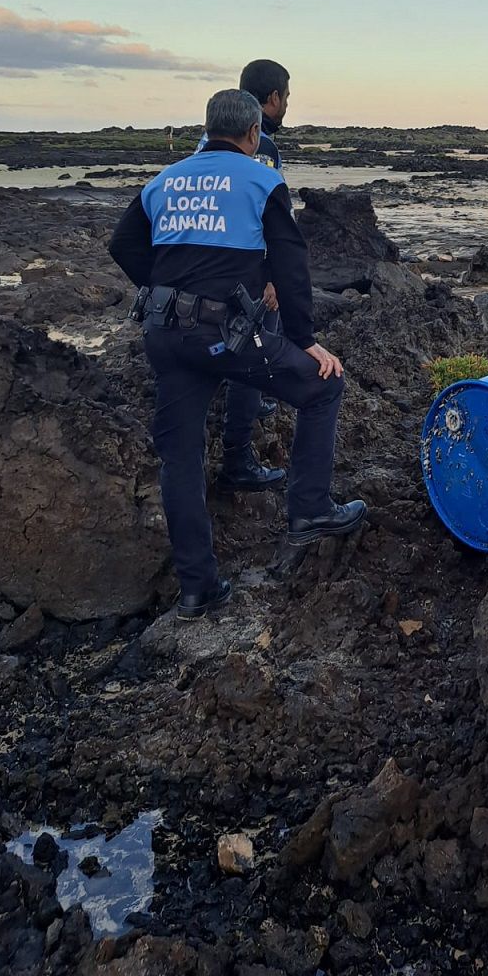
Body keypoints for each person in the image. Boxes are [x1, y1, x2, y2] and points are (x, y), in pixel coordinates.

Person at [109, 88, 365, 620]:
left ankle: (197, 589)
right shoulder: (262, 178)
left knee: (180, 457)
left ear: (207, 128)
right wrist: (304, 339)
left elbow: (123, 244)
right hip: (221, 333)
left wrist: (161, 287)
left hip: (164, 334)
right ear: (254, 135)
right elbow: (291, 263)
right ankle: (311, 510)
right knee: (324, 386)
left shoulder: (165, 179)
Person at [196, 59, 291, 490]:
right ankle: (238, 456)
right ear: (272, 99)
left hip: (205, 270)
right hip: (246, 275)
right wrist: (272, 276)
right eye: (286, 96)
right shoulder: (262, 149)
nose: (287, 104)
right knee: (253, 354)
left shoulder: (208, 142)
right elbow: (268, 215)